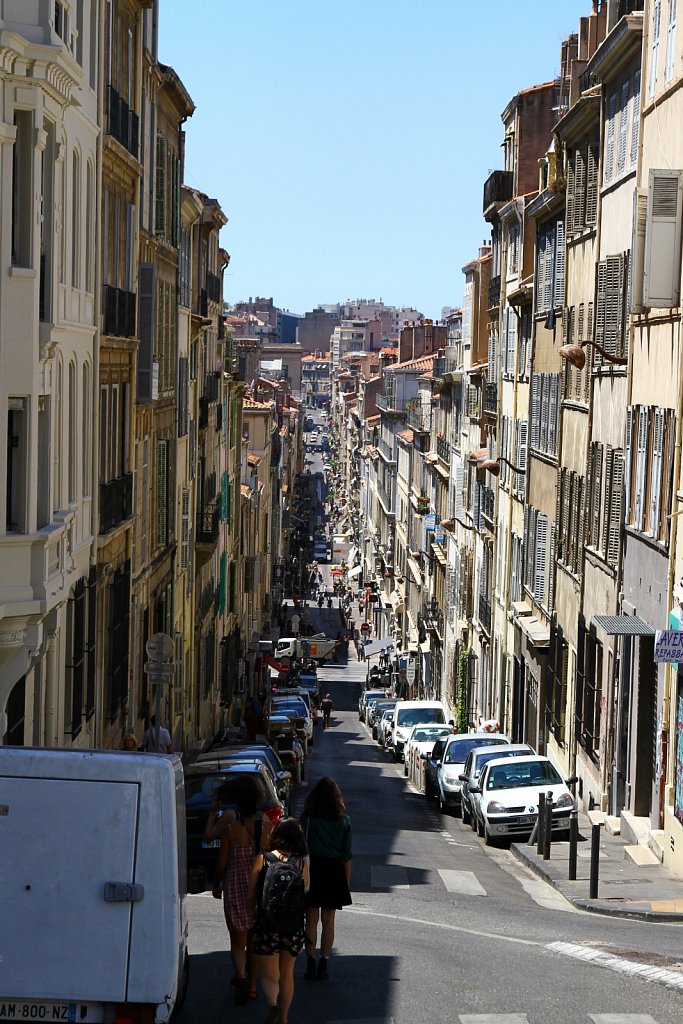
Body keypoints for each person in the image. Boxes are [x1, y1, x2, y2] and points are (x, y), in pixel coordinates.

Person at [211, 780, 272, 1004]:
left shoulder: (232, 829)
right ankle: (254, 986)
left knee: (238, 941)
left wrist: (217, 884)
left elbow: (221, 863)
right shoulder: (265, 823)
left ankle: (240, 977)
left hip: (236, 886)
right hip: (259, 888)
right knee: (254, 940)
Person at [248, 818, 309, 1024]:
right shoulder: (301, 862)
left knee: (269, 975)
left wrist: (252, 916)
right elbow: (306, 890)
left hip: (267, 923)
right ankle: (284, 1018)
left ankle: (272, 1004)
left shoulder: (262, 859)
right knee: (287, 974)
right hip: (293, 925)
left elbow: (251, 895)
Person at [300, 778, 352, 981]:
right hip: (334, 870)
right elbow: (347, 855)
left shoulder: (307, 818)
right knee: (328, 921)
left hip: (313, 869)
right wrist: (345, 883)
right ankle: (324, 962)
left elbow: (301, 846)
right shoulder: (343, 822)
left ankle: (310, 962)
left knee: (310, 919)